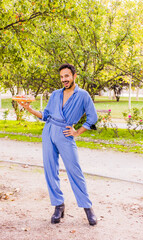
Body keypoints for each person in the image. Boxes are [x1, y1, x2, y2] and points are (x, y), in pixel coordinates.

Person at [19, 63, 98, 226]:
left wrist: (77, 132)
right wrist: (29, 109)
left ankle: (87, 207)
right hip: (48, 131)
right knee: (50, 170)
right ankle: (58, 206)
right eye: (62, 77)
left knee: (75, 171)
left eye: (67, 76)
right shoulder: (55, 94)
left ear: (74, 76)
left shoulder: (83, 95)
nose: (64, 79)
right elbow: (45, 115)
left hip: (65, 133)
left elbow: (92, 117)